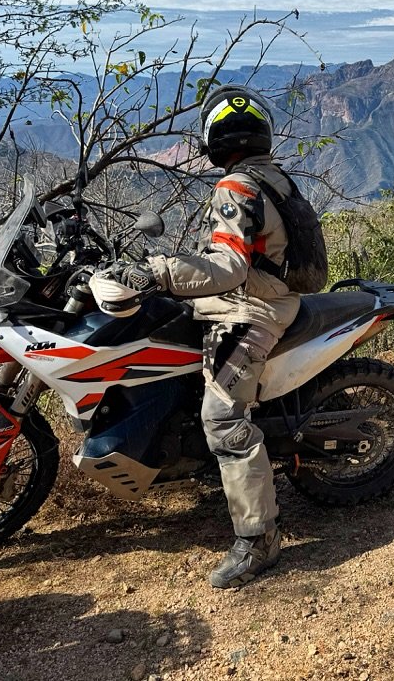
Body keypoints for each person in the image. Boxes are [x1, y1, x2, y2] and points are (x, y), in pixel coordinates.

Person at [111, 86, 301, 586]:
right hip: (258, 294)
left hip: (253, 307)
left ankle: (259, 539)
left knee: (222, 417)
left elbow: (232, 267)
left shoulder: (236, 187)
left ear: (213, 138)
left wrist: (160, 272)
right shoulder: (271, 177)